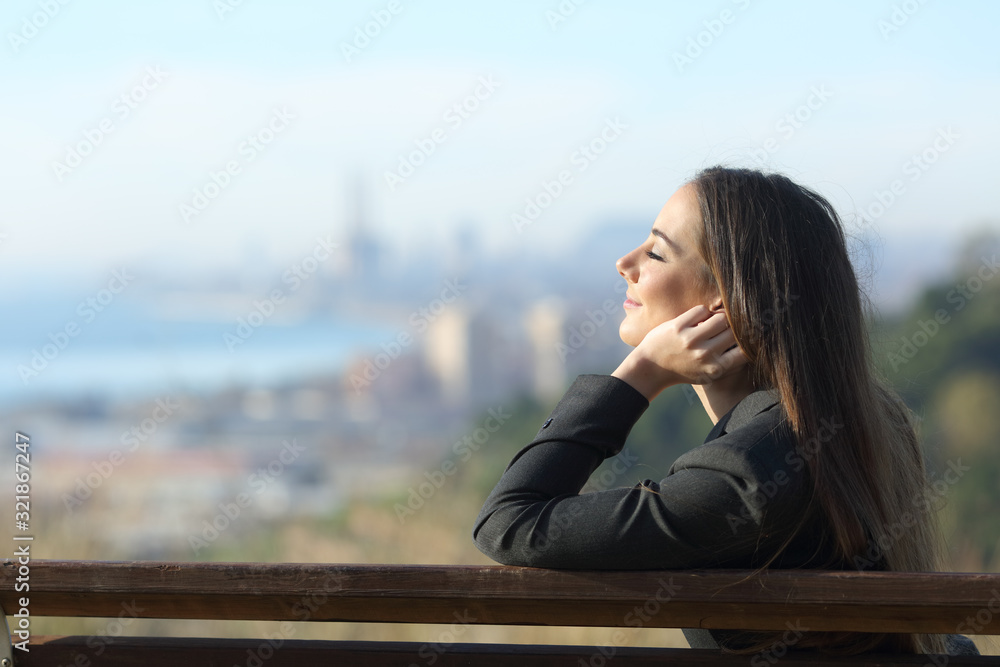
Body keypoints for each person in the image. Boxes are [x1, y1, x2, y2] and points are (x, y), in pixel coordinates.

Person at [472, 166, 979, 656]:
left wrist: (641, 372)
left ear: (724, 305)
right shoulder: (870, 421)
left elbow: (508, 522)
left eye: (656, 253)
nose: (625, 264)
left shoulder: (747, 473)